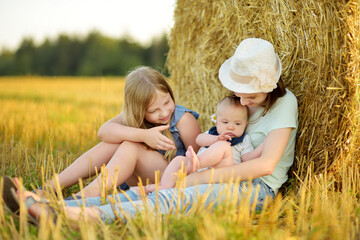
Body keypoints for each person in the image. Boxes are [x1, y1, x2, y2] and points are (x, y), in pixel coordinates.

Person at [4, 38, 298, 224]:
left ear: (270, 87)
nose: (242, 102)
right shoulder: (242, 104)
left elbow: (265, 164)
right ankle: (55, 203)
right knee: (153, 192)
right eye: (238, 93)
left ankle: (68, 214)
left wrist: (196, 178)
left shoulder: (285, 104)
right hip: (217, 171)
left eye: (251, 96)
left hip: (255, 189)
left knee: (170, 198)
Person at [35, 66, 202, 199]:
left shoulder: (183, 120)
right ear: (139, 110)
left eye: (167, 102)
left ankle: (86, 196)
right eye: (154, 110)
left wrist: (136, 138)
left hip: (170, 180)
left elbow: (199, 162)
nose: (164, 112)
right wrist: (143, 135)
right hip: (138, 179)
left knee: (130, 144)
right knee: (114, 140)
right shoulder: (134, 117)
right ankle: (50, 187)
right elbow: (103, 132)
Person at [145, 95, 256, 192]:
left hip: (221, 173)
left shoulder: (244, 140)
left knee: (223, 146)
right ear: (216, 122)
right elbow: (199, 139)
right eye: (225, 122)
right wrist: (215, 139)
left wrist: (261, 149)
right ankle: (164, 185)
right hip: (198, 172)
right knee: (179, 160)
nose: (230, 127)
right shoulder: (212, 134)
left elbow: (247, 158)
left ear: (246, 125)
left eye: (237, 123)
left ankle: (196, 162)